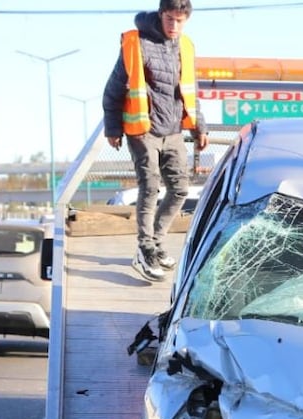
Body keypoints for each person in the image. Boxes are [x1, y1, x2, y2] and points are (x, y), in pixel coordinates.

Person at [102, 0, 208, 282]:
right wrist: (113, 128)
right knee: (149, 187)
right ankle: (144, 248)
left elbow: (189, 91)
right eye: (170, 19)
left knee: (180, 189)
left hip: (172, 131)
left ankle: (157, 243)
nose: (174, 25)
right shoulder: (136, 43)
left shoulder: (185, 47)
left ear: (187, 20)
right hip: (142, 129)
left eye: (180, 20)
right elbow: (113, 90)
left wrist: (200, 127)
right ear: (161, 15)